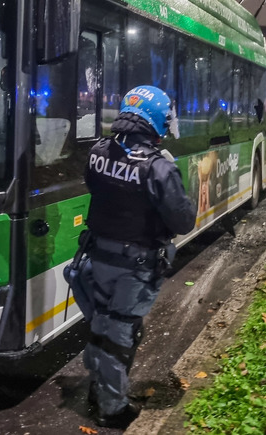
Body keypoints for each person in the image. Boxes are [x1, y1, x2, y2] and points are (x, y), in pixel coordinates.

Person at [79, 85, 196, 429]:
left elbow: (94, 186)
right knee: (120, 335)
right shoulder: (159, 169)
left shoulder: (98, 151)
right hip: (136, 267)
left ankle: (97, 389)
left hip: (98, 256)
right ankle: (112, 409)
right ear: (157, 121)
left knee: (101, 323)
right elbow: (183, 220)